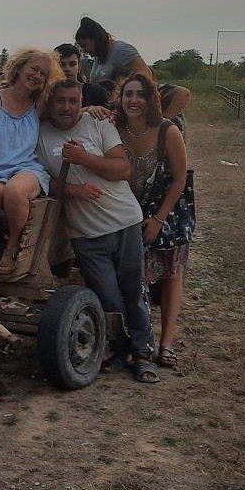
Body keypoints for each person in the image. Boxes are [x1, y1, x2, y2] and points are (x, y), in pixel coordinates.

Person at [37, 79, 159, 384]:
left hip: (124, 220)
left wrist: (84, 158)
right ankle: (118, 351)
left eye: (72, 100)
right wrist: (74, 190)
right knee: (107, 295)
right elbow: (42, 180)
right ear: (50, 104)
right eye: (60, 101)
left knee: (134, 290)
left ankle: (143, 354)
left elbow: (123, 168)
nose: (67, 107)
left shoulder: (96, 123)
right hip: (85, 232)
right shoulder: (40, 134)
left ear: (81, 101)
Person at [115, 73, 189, 369]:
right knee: (137, 276)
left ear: (151, 99)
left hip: (166, 208)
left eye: (140, 94)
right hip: (129, 210)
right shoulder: (114, 127)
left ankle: (166, 343)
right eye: (128, 94)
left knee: (170, 272)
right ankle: (139, 338)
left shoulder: (167, 131)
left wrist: (159, 219)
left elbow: (180, 180)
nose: (134, 100)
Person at [0, 48, 61, 274]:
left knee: (15, 191)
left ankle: (12, 246)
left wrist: (96, 110)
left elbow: (68, 110)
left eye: (43, 73)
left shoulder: (39, 104)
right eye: (34, 69)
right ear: (19, 68)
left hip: (26, 169)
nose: (37, 76)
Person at [73, 16, 191, 121]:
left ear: (95, 39)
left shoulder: (121, 50)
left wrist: (161, 124)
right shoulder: (98, 58)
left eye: (85, 45)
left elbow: (146, 76)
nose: (84, 50)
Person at [54, 43, 111, 115]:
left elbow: (110, 117)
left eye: (72, 64)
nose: (67, 69)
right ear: (54, 67)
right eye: (62, 65)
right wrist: (85, 110)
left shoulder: (96, 93)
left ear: (79, 66)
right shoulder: (47, 93)